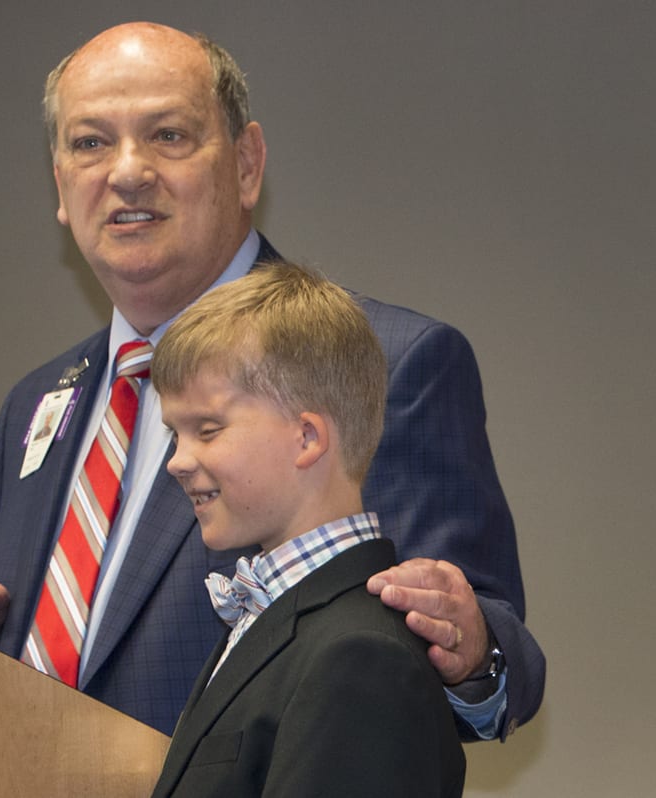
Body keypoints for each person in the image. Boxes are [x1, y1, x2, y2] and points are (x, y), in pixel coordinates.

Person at [0, 21, 544, 740]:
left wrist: (471, 650)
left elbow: (491, 659)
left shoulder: (385, 362)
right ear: (60, 185)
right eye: (90, 143)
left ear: (246, 163)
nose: (127, 171)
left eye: (168, 135)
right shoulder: (36, 403)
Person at [149, 261, 465, 797]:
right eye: (174, 435)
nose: (177, 461)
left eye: (207, 429)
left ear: (308, 438)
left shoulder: (363, 658)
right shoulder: (274, 623)